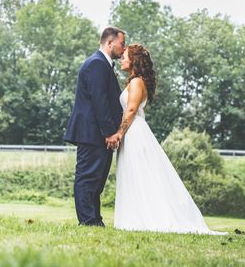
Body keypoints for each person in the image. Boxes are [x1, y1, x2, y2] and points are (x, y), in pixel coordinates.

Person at [113, 43, 227, 234]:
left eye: (124, 56)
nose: (121, 59)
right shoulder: (135, 81)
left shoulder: (136, 82)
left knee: (141, 174)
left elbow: (131, 110)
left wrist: (119, 134)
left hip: (133, 131)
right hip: (135, 130)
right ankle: (135, 215)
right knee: (134, 173)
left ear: (134, 60)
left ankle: (147, 217)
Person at [64, 27, 126, 226]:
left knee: (97, 180)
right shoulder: (97, 64)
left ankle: (95, 219)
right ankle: (88, 221)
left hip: (96, 132)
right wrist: (109, 132)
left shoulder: (103, 65)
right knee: (88, 177)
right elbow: (100, 101)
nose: (123, 48)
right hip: (92, 132)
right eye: (121, 43)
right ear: (110, 43)